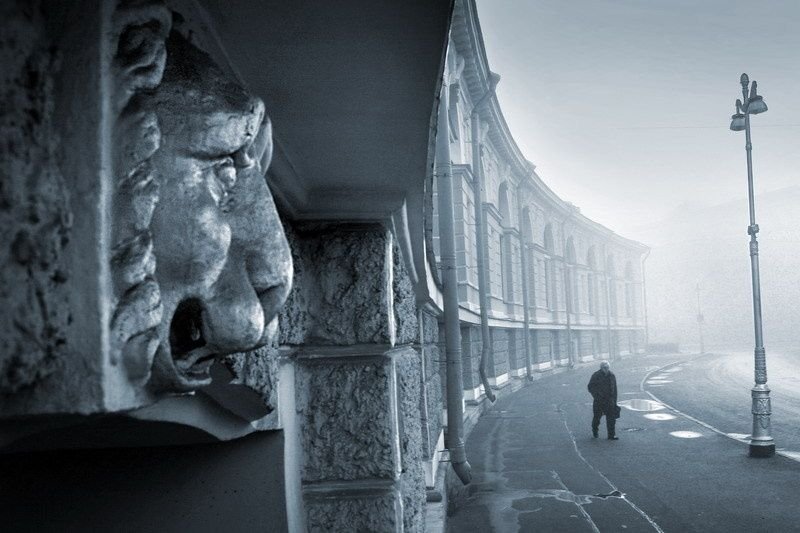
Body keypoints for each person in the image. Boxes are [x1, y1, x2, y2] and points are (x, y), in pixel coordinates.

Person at [588, 361, 618, 440]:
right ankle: (595, 430)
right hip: (599, 401)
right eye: (605, 368)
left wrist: (614, 402)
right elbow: (590, 387)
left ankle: (611, 435)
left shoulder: (612, 375)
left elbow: (615, 390)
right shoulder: (596, 375)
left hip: (609, 400)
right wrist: (596, 395)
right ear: (601, 368)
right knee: (597, 417)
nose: (606, 369)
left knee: (611, 418)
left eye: (607, 367)